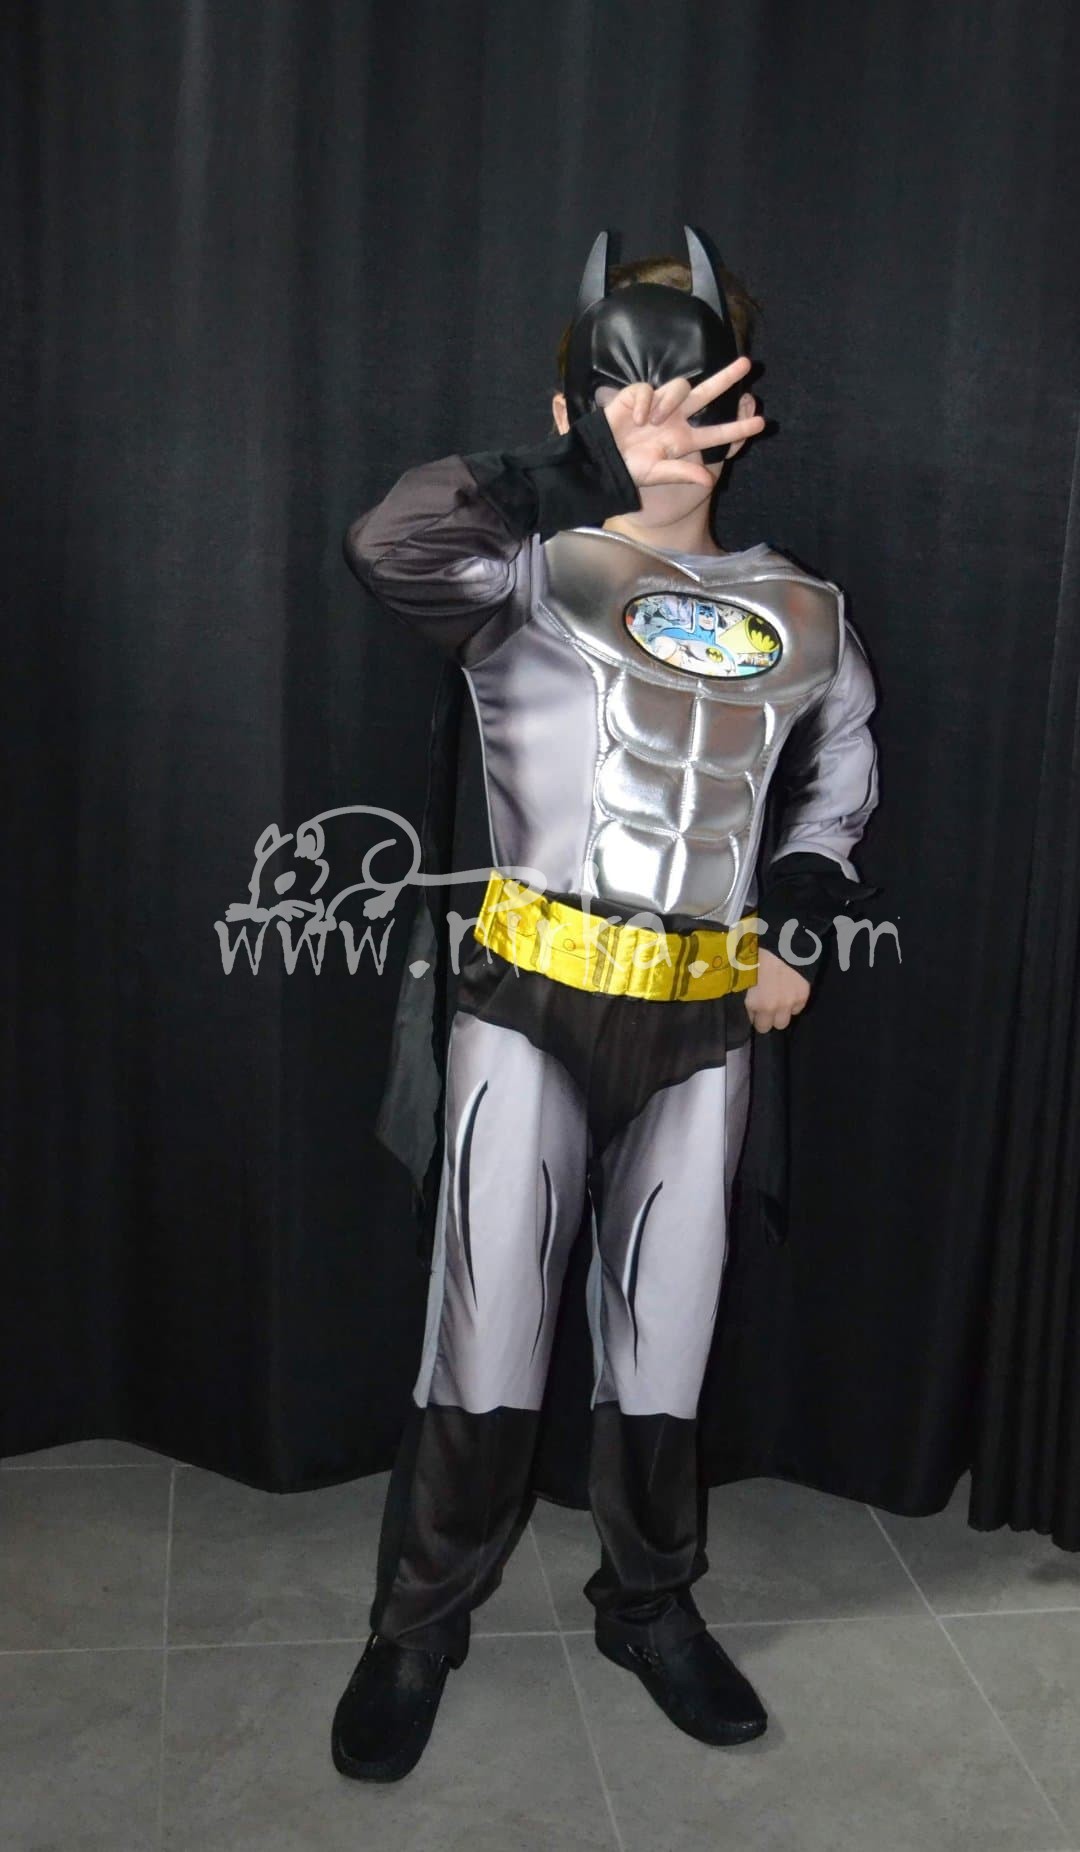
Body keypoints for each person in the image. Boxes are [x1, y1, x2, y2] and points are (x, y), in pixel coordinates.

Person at [332, 227, 880, 1782]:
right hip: (528, 1003)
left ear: (743, 407)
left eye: (689, 385)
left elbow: (839, 777)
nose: (663, 415)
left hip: (702, 1026)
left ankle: (648, 1606)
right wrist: (569, 473)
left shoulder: (806, 607)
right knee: (485, 1328)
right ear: (575, 407)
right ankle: (419, 1624)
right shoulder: (523, 574)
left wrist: (799, 928)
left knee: (668, 1338)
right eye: (622, 387)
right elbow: (385, 542)